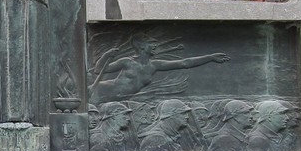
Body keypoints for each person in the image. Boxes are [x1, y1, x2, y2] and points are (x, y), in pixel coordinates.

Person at [89, 33, 230, 103]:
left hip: (119, 99)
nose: (156, 46)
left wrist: (210, 57)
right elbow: (98, 70)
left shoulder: (154, 65)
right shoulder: (127, 62)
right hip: (101, 91)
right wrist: (106, 54)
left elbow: (185, 63)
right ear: (142, 46)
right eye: (152, 43)